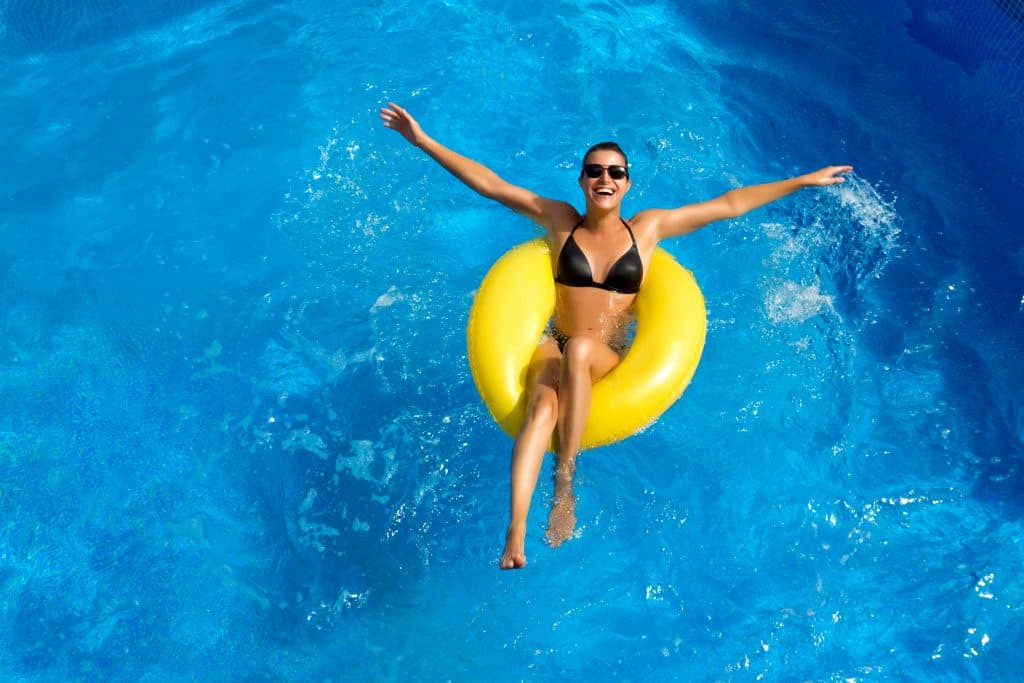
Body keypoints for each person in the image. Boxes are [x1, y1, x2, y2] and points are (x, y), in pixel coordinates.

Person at [380, 102, 851, 570]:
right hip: (554, 340)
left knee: (583, 350)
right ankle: (515, 531)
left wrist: (802, 181)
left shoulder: (648, 229)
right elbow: (493, 185)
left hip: (605, 354)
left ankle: (564, 484)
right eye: (595, 171)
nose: (605, 179)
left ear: (627, 182)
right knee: (542, 406)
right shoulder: (559, 219)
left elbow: (727, 205)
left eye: (615, 172)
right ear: (582, 181)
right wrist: (422, 141)